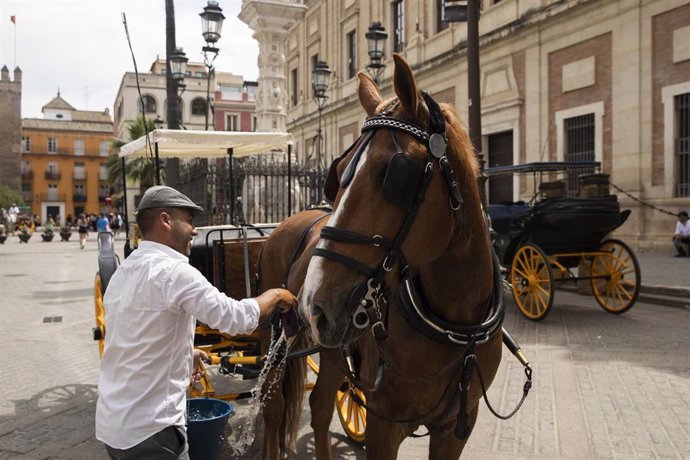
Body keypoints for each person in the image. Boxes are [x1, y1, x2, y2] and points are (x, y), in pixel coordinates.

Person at [95, 185, 297, 459]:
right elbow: (235, 318)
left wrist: (185, 352)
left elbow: (133, 337)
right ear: (166, 220)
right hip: (152, 430)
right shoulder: (176, 272)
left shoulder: (122, 273)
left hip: (113, 426)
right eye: (189, 220)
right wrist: (275, 295)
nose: (194, 230)